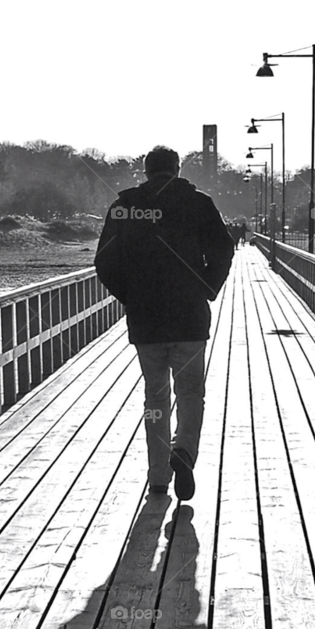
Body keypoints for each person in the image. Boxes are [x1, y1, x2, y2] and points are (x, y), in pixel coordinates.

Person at [95, 145, 234, 500]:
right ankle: (183, 450)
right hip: (189, 318)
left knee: (154, 396)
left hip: (147, 321)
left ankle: (158, 475)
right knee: (190, 392)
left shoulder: (125, 207)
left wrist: (131, 295)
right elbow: (223, 249)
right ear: (177, 169)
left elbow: (104, 262)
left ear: (145, 171)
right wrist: (206, 287)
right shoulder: (199, 203)